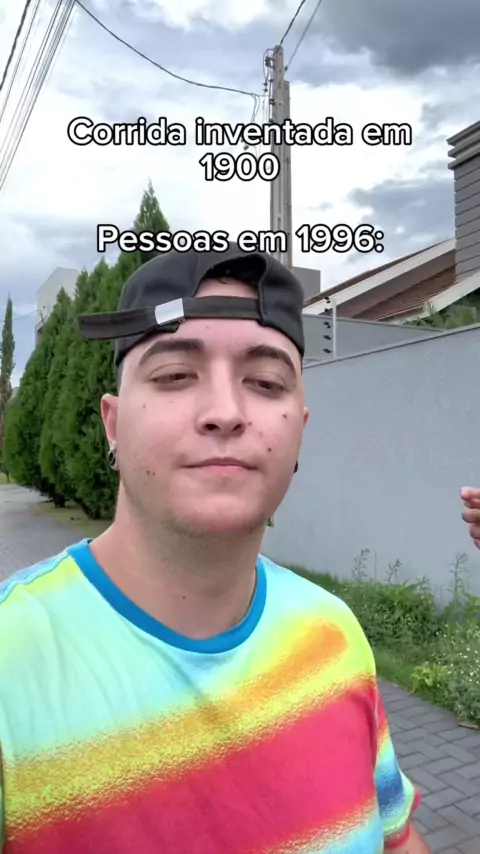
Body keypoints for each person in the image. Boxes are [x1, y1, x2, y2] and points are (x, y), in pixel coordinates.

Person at [0, 244, 430, 853]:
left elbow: (396, 838)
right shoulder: (11, 661)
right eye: (175, 376)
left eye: (266, 382)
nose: (226, 412)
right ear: (113, 425)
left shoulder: (333, 633)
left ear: (299, 431)